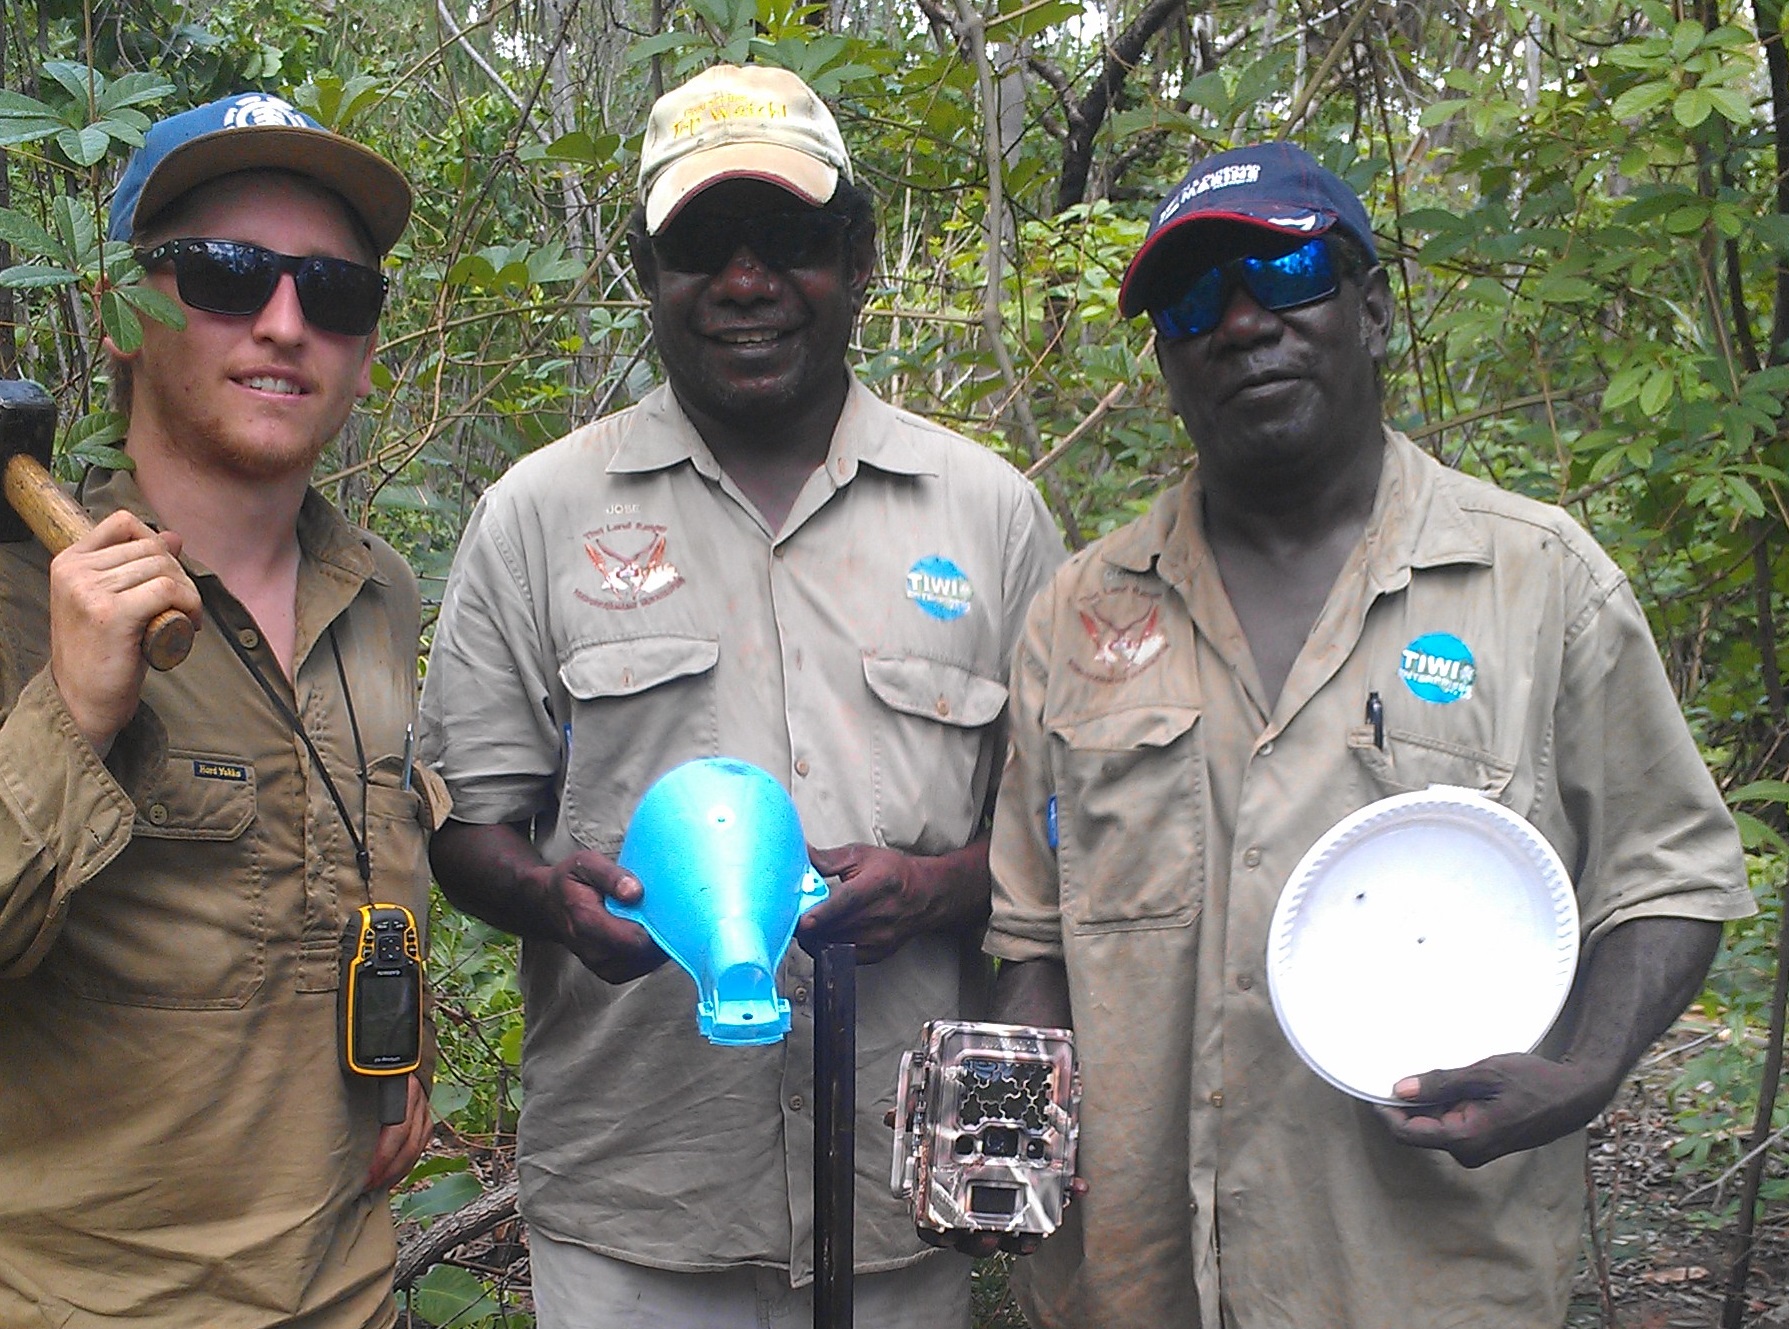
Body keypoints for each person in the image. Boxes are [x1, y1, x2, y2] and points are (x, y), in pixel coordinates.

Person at [981, 142, 1756, 1328]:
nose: (1241, 324)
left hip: (1424, 1275)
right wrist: (1006, 1125)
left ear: (1372, 309)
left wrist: (1584, 1071)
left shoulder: (1538, 582)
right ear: (1168, 362)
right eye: (1194, 303)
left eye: (1285, 272)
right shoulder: (1078, 615)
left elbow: (1673, 870)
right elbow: (1036, 932)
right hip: (1132, 1283)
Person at [418, 62, 1064, 1329]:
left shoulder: (991, 517)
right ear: (648, 271)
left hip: (900, 1196)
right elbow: (465, 829)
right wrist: (557, 901)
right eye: (701, 244)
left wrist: (933, 888)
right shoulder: (538, 516)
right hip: (636, 1206)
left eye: (791, 240)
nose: (747, 281)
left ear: (859, 256)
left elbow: (1066, 833)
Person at [0, 93, 442, 1327]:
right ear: (126, 314)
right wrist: (69, 716)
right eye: (226, 275)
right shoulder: (18, 594)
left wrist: (386, 1033)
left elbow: (356, 848)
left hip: (352, 1292)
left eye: (334, 292)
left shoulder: (380, 595)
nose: (286, 321)